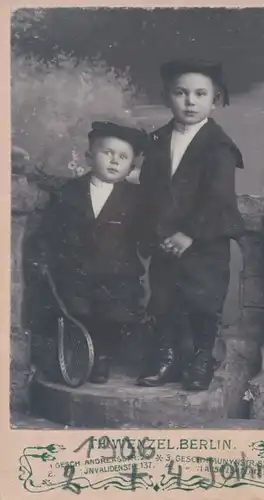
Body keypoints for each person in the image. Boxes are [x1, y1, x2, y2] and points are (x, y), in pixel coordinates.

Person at [137, 59, 245, 391]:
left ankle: (202, 359)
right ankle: (167, 357)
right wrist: (159, 233)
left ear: (216, 100)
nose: (190, 101)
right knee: (164, 298)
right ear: (167, 97)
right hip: (166, 240)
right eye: (181, 93)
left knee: (203, 301)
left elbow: (219, 196)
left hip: (205, 241)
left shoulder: (218, 146)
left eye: (200, 94)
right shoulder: (157, 141)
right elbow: (151, 189)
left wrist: (190, 234)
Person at [35, 121, 147, 384]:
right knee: (77, 310)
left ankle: (103, 359)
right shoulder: (70, 192)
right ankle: (78, 354)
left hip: (117, 273)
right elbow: (51, 229)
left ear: (131, 168)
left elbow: (145, 234)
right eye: (107, 153)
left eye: (122, 158)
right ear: (88, 156)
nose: (114, 161)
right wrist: (43, 256)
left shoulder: (136, 198)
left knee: (113, 315)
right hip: (77, 271)